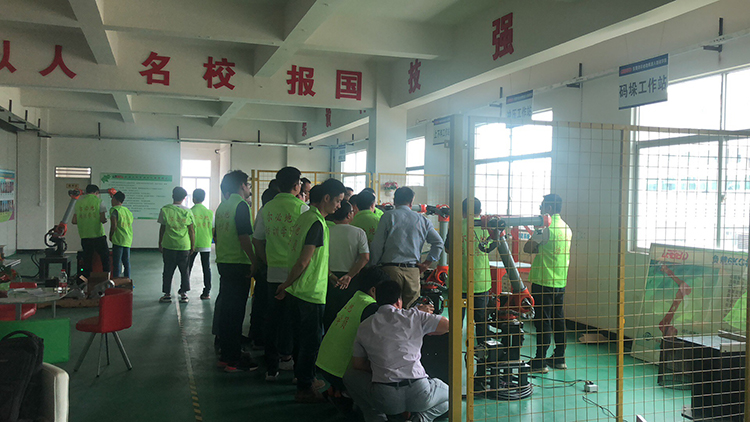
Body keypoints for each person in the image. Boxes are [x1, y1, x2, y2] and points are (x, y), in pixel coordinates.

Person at [275, 178, 346, 403]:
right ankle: (305, 387)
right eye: (337, 201)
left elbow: (311, 259)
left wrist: (330, 276)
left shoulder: (305, 218)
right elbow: (304, 261)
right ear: (326, 198)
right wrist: (285, 284)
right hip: (310, 293)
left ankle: (303, 378)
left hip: (298, 291)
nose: (339, 206)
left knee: (300, 340)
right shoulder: (317, 223)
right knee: (311, 343)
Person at [343, 280, 449, 422]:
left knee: (349, 375)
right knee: (451, 395)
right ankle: (421, 419)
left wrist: (381, 367)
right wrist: (424, 326)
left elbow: (358, 365)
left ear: (376, 299)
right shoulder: (414, 316)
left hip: (385, 399)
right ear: (399, 301)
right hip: (420, 393)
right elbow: (448, 325)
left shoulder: (364, 326)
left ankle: (376, 418)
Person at [255, 167, 309, 380]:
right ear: (297, 185)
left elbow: (257, 240)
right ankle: (296, 369)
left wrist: (267, 261)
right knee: (296, 322)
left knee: (273, 320)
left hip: (273, 273)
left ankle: (271, 368)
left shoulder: (267, 208)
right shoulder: (302, 209)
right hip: (296, 274)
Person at [316, 266, 385, 414]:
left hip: (324, 364)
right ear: (374, 290)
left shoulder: (356, 298)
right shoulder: (371, 307)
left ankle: (337, 390)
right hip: (340, 371)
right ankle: (346, 393)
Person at [213, 170, 260, 372]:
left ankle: (226, 355)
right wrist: (254, 260)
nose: (249, 188)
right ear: (242, 185)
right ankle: (233, 359)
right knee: (236, 313)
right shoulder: (241, 206)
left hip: (224, 262)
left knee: (228, 311)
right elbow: (244, 238)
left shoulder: (222, 206)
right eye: (248, 185)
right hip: (239, 264)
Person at [370, 187, 444, 307]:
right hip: (413, 271)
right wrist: (427, 264)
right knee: (412, 310)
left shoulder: (388, 216)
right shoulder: (422, 220)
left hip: (390, 270)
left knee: (390, 308)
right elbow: (438, 242)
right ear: (411, 201)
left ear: (394, 200)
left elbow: (377, 245)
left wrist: (373, 265)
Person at [524, 194, 572, 373]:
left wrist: (537, 236)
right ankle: (559, 358)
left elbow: (527, 248)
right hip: (560, 280)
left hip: (543, 280)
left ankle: (540, 361)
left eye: (542, 206)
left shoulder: (545, 228)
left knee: (542, 321)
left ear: (549, 208)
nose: (540, 209)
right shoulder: (567, 228)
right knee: (558, 319)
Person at [324, 199, 369, 330]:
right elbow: (365, 258)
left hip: (329, 279)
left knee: (330, 316)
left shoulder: (326, 231)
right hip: (351, 280)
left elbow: (319, 258)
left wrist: (330, 275)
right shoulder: (359, 232)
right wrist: (349, 276)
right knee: (348, 317)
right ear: (349, 215)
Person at [246, 186, 281, 349]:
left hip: (264, 265)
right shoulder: (267, 213)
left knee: (260, 302)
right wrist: (267, 262)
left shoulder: (263, 212)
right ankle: (261, 338)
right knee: (266, 304)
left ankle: (257, 336)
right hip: (266, 265)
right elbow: (257, 241)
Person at [158, 187, 195, 303]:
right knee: (184, 270)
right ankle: (184, 294)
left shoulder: (165, 210)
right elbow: (191, 230)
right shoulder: (188, 211)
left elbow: (162, 228)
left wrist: (160, 242)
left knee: (168, 270)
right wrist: (192, 245)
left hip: (169, 245)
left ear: (173, 196)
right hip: (184, 245)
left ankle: (167, 294)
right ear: (184, 198)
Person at [72, 184, 110, 278]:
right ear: (97, 192)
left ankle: (86, 281)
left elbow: (74, 221)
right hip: (98, 235)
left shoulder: (78, 203)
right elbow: (102, 219)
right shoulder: (99, 201)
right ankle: (106, 279)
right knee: (105, 259)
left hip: (85, 236)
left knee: (87, 261)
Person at [188, 188, 213, 300]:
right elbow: (213, 229)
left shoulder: (190, 212)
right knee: (206, 268)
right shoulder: (209, 213)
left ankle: (184, 289)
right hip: (206, 243)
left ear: (193, 198)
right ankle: (206, 292)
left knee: (188, 266)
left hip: (191, 244)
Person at [109, 191, 133, 278]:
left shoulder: (115, 210)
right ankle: (127, 280)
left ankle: (116, 281)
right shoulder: (127, 211)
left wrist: (111, 235)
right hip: (127, 238)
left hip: (118, 239)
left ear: (115, 199)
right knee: (126, 262)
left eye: (112, 199)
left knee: (117, 263)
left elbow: (114, 225)